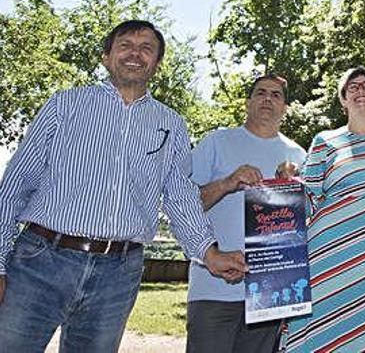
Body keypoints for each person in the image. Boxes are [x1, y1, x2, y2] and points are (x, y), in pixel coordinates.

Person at [0, 20, 247, 351]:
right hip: (41, 261)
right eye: (125, 45)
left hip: (118, 274)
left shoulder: (171, 124)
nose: (136, 53)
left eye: (147, 48)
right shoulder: (65, 105)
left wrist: (209, 252)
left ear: (156, 64)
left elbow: (180, 196)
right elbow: (15, 183)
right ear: (106, 56)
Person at [279, 66, 365, 352]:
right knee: (324, 335)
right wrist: (287, 184)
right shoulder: (325, 142)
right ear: (343, 100)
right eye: (352, 87)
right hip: (329, 261)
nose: (360, 90)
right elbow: (309, 198)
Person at [186, 74, 307, 353]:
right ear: (248, 102)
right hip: (213, 287)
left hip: (271, 292)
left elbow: (304, 226)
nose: (267, 98)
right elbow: (184, 205)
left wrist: (291, 190)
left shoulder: (299, 156)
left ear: (285, 108)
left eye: (276, 94)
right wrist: (228, 183)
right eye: (260, 92)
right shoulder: (216, 142)